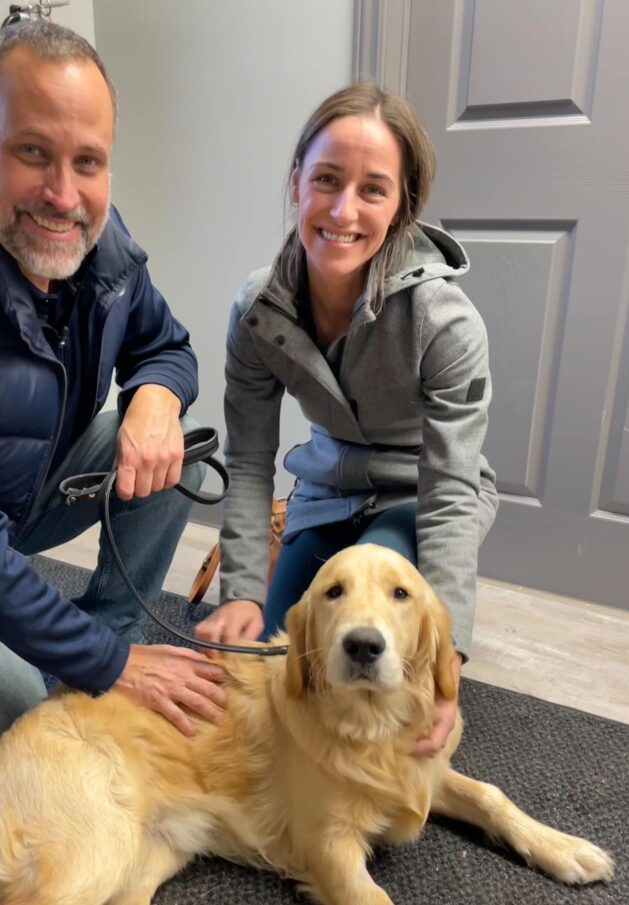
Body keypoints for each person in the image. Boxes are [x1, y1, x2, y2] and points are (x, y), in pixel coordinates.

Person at [0, 20, 227, 774]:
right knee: (24, 733)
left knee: (179, 451)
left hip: (6, 502)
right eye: (32, 152)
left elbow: (167, 347)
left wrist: (156, 400)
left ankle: (107, 639)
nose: (64, 195)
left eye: (87, 161)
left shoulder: (92, 233)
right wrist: (114, 671)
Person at [196, 83, 498, 756]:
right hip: (327, 492)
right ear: (296, 181)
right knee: (277, 664)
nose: (343, 210)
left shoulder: (447, 324)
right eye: (327, 180)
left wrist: (447, 654)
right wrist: (241, 592)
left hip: (420, 495)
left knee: (371, 643)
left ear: (401, 207)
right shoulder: (257, 312)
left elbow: (451, 492)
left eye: (373, 190)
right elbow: (249, 462)